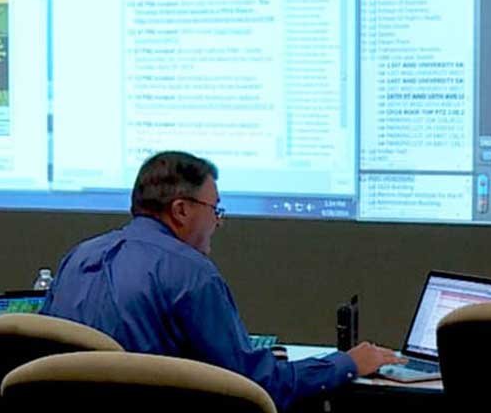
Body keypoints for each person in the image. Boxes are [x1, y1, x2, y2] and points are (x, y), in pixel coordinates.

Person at [40, 150, 403, 411]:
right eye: (215, 210)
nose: (219, 222)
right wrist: (347, 363)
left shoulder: (78, 256)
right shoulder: (190, 272)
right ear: (181, 210)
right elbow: (254, 386)